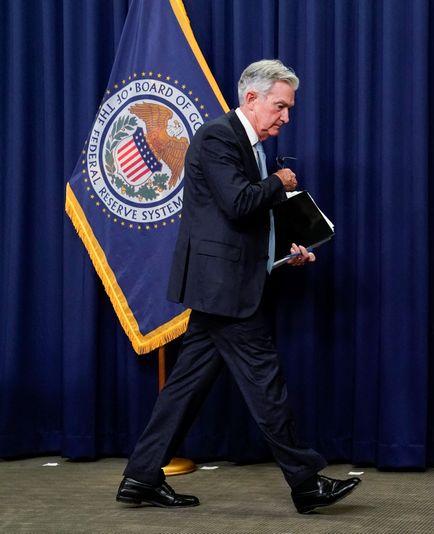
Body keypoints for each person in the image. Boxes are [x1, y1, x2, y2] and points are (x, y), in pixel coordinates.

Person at [116, 59, 360, 514]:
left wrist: (288, 250)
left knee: (185, 387)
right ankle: (305, 482)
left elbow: (245, 225)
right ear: (252, 98)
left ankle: (140, 477)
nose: (286, 117)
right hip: (225, 289)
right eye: (281, 106)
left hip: (224, 284)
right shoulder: (217, 137)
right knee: (266, 385)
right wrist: (279, 182)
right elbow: (237, 203)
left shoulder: (247, 145)